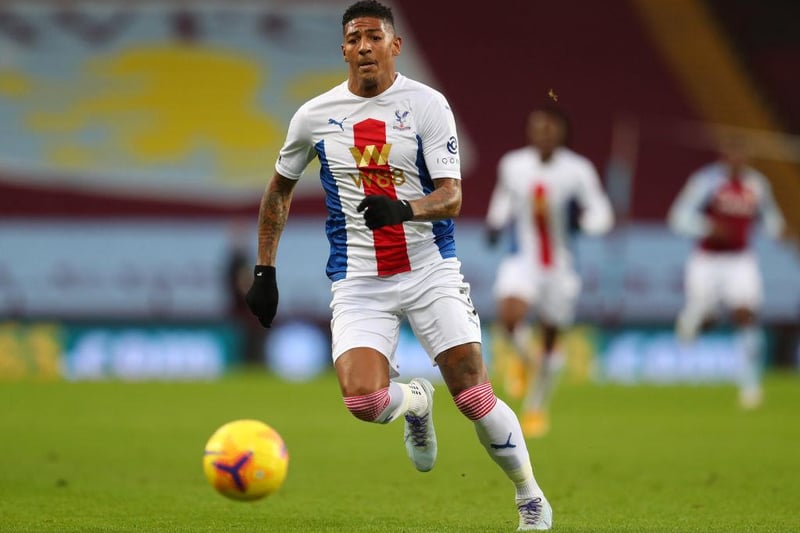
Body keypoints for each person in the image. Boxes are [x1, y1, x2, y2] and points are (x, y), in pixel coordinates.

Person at [244, 2, 552, 530]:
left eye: (374, 36)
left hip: (430, 269)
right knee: (363, 402)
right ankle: (414, 400)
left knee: (475, 395)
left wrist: (404, 208)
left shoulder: (427, 105)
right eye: (354, 38)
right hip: (359, 280)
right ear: (343, 49)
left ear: (394, 45)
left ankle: (529, 496)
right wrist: (264, 271)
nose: (364, 46)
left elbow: (452, 197)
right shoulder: (314, 115)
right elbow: (279, 191)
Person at [485, 105, 614, 438]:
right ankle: (524, 361)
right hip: (522, 260)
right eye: (537, 127)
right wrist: (495, 222)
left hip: (559, 267)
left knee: (551, 339)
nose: (543, 134)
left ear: (561, 132)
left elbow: (602, 212)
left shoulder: (577, 170)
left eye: (549, 128)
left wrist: (585, 222)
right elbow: (504, 197)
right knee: (510, 317)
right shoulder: (513, 164)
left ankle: (536, 406)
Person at [668, 134, 788, 409]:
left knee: (746, 315)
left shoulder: (757, 184)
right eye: (731, 153)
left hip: (740, 260)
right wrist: (707, 226)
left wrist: (778, 231)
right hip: (707, 260)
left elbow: (770, 216)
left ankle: (750, 387)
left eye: (740, 153)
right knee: (705, 320)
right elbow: (678, 217)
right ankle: (693, 320)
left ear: (747, 158)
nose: (736, 159)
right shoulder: (706, 181)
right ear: (723, 157)